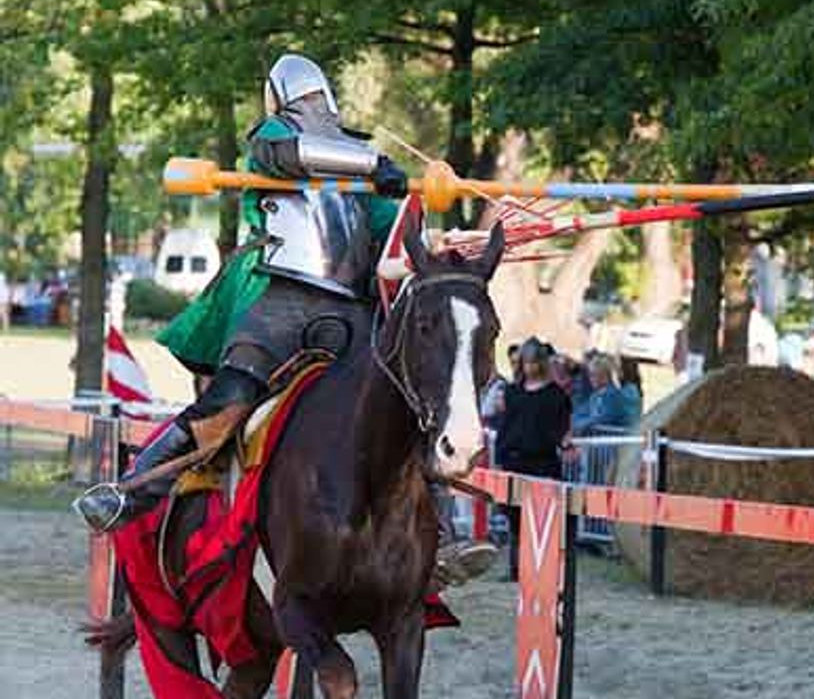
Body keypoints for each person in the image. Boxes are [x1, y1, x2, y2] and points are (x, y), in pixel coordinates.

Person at [73, 53, 495, 586]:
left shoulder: (361, 154)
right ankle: (131, 492)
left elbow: (392, 235)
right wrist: (373, 170)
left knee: (401, 401)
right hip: (284, 303)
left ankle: (442, 540)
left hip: (349, 310)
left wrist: (430, 234)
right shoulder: (278, 138)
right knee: (227, 399)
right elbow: (287, 154)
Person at [497, 338, 574, 580]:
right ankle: (516, 570)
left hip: (542, 465)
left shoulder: (555, 396)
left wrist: (565, 443)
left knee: (542, 524)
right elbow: (505, 428)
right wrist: (500, 457)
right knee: (515, 523)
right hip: (513, 462)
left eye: (532, 362)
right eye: (525, 362)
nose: (528, 367)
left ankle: (539, 573)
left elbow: (561, 429)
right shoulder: (513, 392)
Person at [572, 354, 628, 436]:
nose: (591, 379)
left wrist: (581, 425)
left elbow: (603, 418)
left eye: (594, 375)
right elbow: (583, 411)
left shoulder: (612, 395)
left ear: (605, 376)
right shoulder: (595, 396)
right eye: (590, 375)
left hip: (611, 441)